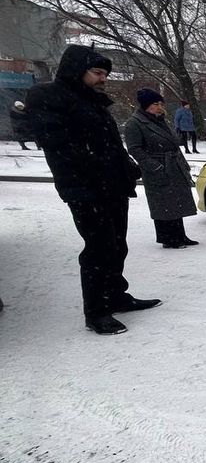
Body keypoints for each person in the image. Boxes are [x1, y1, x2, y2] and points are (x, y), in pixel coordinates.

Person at [25, 44, 160, 335]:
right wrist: (95, 171)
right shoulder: (49, 96)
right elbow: (62, 147)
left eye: (105, 74)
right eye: (97, 72)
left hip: (112, 186)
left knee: (117, 245)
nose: (103, 79)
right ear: (77, 70)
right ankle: (97, 311)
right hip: (85, 190)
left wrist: (126, 166)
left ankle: (116, 296)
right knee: (99, 250)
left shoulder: (93, 100)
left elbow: (108, 142)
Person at [124, 88, 199, 249]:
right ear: (146, 106)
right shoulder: (135, 123)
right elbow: (135, 149)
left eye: (160, 104)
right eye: (155, 104)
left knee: (175, 202)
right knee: (163, 205)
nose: (159, 107)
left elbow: (173, 144)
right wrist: (155, 166)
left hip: (173, 165)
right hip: (157, 168)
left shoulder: (160, 120)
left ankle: (180, 235)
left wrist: (183, 165)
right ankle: (168, 239)